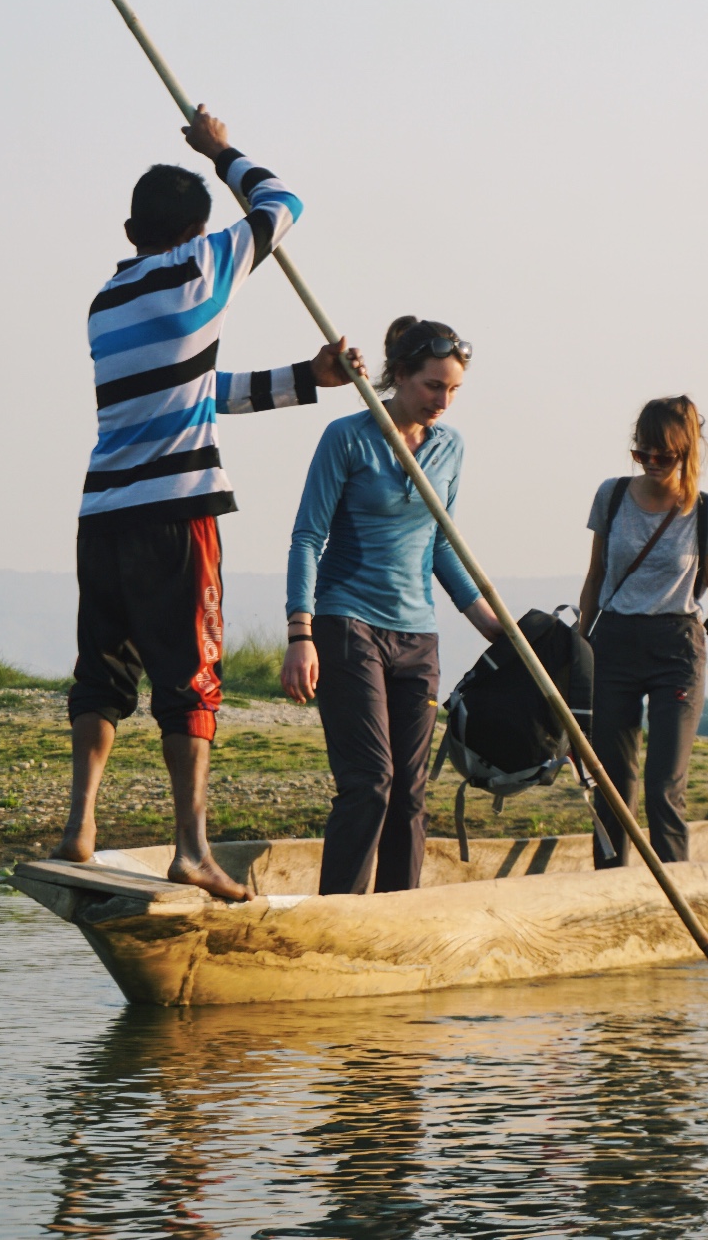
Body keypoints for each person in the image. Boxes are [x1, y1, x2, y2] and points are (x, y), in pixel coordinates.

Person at [54, 106, 365, 900]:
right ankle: (192, 848)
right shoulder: (203, 266)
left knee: (102, 673)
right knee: (191, 680)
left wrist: (307, 378)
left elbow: (197, 391)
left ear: (130, 231)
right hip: (173, 513)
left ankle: (80, 826)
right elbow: (282, 204)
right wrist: (221, 150)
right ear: (197, 231)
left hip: (102, 513)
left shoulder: (106, 302)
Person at [282, 318, 503, 894]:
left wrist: (489, 624)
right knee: (371, 780)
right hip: (347, 622)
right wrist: (299, 635)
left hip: (418, 637)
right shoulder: (348, 436)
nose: (443, 401)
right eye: (433, 385)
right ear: (399, 375)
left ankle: (398, 916)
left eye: (453, 390)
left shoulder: (450, 448)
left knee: (409, 791)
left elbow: (439, 545)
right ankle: (338, 913)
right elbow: (308, 537)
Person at [581, 396, 708, 867]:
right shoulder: (613, 495)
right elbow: (595, 577)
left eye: (665, 456)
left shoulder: (706, 512)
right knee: (612, 785)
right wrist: (579, 655)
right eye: (643, 454)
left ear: (688, 453)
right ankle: (608, 891)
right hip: (614, 643)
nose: (653, 464)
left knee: (665, 787)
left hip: (676, 648)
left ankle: (673, 899)